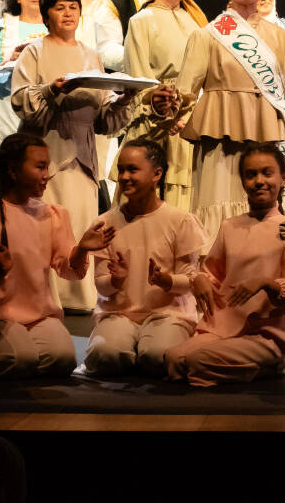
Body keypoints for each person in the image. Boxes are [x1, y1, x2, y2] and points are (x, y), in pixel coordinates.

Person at [10, 0, 138, 312]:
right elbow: (21, 100)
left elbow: (103, 117)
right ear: (46, 16)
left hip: (82, 151)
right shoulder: (34, 52)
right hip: (46, 148)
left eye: (73, 7)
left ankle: (78, 297)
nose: (68, 13)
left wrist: (124, 100)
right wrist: (51, 90)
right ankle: (42, 294)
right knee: (45, 224)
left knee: (80, 222)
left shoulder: (91, 55)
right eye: (60, 7)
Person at [177, 0, 285, 241]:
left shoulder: (282, 37)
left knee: (260, 213)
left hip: (263, 137)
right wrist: (165, 108)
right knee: (218, 211)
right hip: (219, 137)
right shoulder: (206, 35)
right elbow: (184, 94)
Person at [0, 132, 112, 379]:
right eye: (39, 167)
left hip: (39, 315)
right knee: (21, 358)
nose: (46, 175)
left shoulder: (52, 214)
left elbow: (67, 269)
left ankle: (16, 358)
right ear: (13, 171)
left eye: (47, 167)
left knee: (62, 359)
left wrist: (82, 248)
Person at [165, 144, 285, 386]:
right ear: (242, 181)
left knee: (198, 361)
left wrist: (265, 283)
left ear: (283, 177)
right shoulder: (230, 226)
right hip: (221, 327)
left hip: (264, 335)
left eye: (267, 173)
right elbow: (211, 273)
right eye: (251, 175)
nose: (259, 181)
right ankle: (245, 365)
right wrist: (199, 279)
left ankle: (268, 363)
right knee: (173, 359)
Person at [85, 140, 207, 375]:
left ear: (156, 174)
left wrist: (166, 280)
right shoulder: (105, 223)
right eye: (121, 169)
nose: (124, 177)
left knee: (158, 355)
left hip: (168, 314)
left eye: (132, 169)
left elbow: (189, 280)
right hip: (118, 313)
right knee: (106, 354)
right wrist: (116, 281)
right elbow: (101, 284)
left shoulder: (180, 221)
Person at [120, 0, 209, 208]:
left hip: (191, 119)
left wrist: (189, 113)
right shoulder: (142, 21)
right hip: (157, 119)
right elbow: (139, 76)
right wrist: (164, 111)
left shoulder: (196, 22)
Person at [0, 0, 49, 153]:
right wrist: (10, 60)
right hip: (6, 105)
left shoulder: (57, 27)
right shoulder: (1, 27)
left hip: (44, 107)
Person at [72, 0, 126, 72]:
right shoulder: (66, 8)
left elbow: (110, 46)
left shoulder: (106, 8)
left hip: (94, 72)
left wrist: (130, 60)